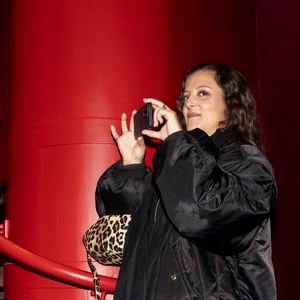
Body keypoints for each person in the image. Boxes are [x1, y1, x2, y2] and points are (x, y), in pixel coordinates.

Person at [95, 63, 277, 299]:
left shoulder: (247, 163)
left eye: (203, 93)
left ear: (231, 107)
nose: (189, 102)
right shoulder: (176, 167)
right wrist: (131, 165)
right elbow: (126, 219)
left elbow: (203, 211)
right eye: (185, 96)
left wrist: (176, 145)